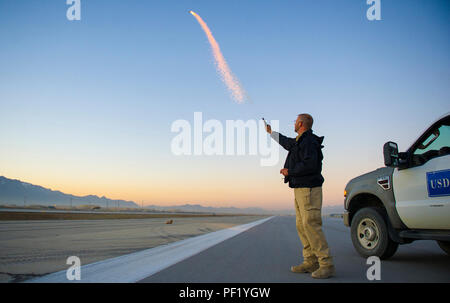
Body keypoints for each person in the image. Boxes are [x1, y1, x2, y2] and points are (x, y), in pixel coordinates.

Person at [266, 114, 335, 279]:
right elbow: (287, 142)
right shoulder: (299, 141)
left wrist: (290, 171)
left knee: (311, 224)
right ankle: (310, 261)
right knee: (302, 225)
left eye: (295, 120)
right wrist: (271, 133)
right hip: (300, 188)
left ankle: (326, 264)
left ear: (301, 123)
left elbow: (310, 165)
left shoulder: (309, 141)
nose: (294, 122)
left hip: (309, 189)